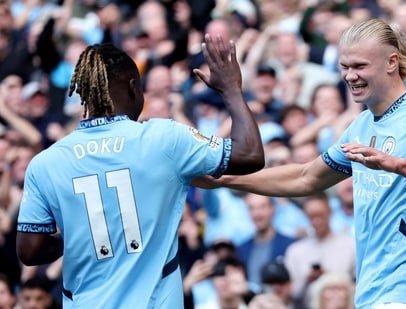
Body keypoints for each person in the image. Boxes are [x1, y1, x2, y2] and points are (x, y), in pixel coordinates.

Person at [193, 18, 406, 308]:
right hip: (379, 292)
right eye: (344, 66)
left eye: (360, 66)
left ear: (392, 62)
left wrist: (396, 164)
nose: (350, 76)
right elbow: (306, 177)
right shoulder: (363, 125)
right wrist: (226, 180)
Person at [15, 35, 264, 308]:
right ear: (134, 87)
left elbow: (29, 250)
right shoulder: (163, 138)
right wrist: (231, 90)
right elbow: (250, 155)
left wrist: (79, 235)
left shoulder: (46, 162)